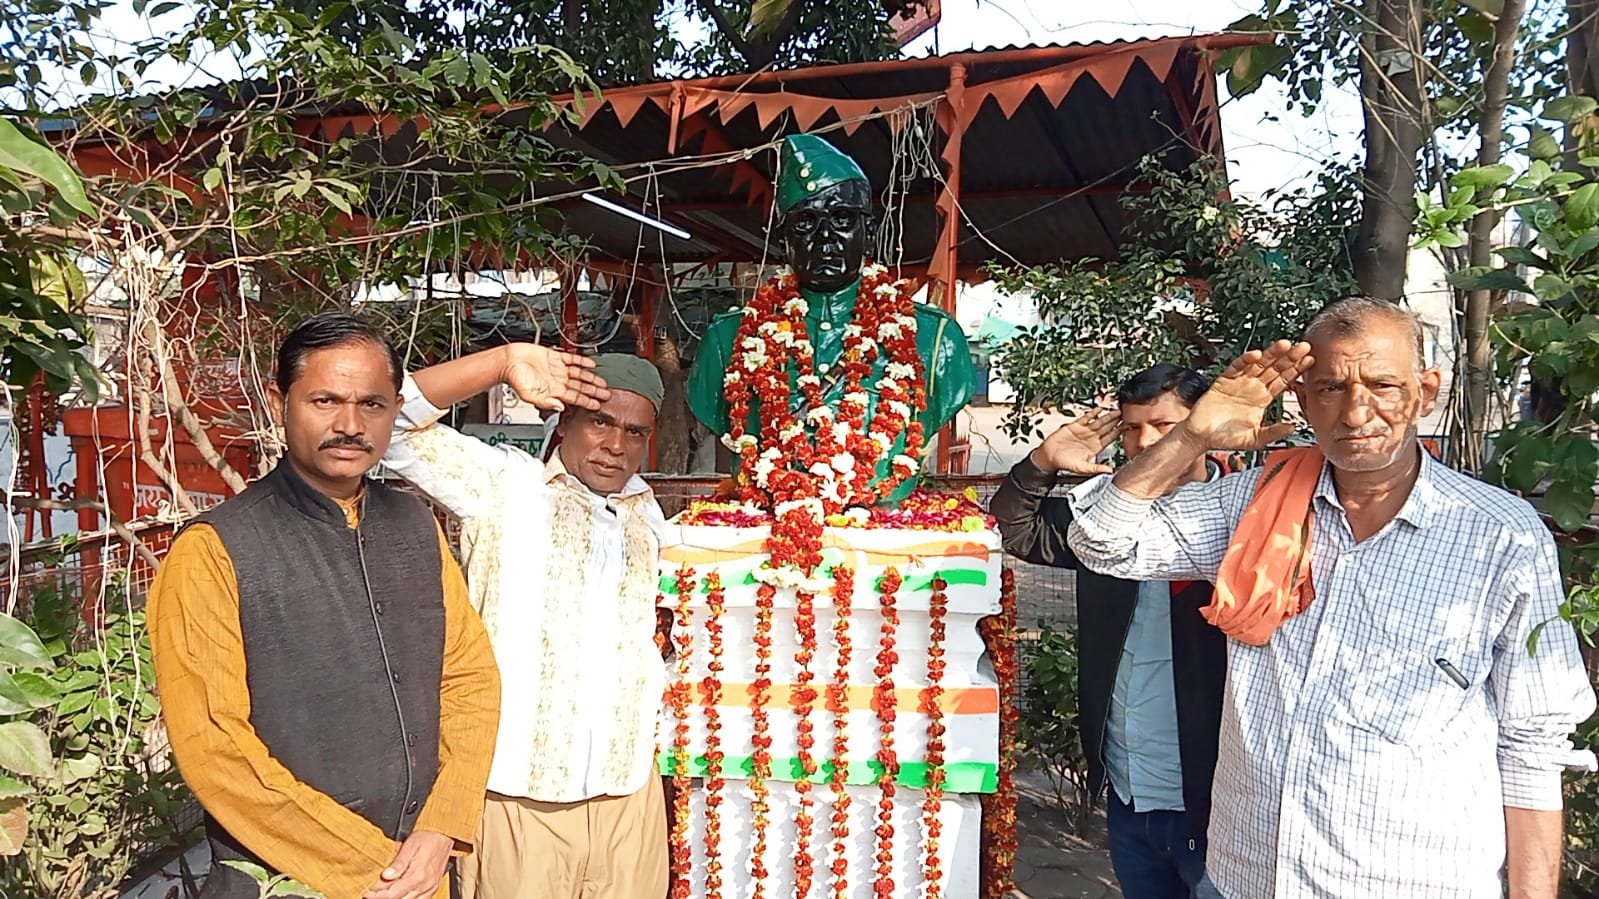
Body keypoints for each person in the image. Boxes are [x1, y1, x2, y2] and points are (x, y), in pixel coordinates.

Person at [1064, 296, 1598, 898]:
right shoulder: (1251, 505)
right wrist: (1191, 437)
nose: (1356, 411)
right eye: (1331, 388)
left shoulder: (1501, 535)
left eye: (1383, 384)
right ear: (1302, 398)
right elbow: (1101, 541)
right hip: (1251, 877)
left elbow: (1533, 746)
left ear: (1425, 392)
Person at [149, 314, 501, 899]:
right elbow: (215, 747)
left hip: (422, 870)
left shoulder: (416, 525)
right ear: (278, 403)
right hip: (289, 879)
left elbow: (470, 679)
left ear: (395, 410)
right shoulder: (214, 550)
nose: (349, 425)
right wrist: (375, 866)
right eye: (325, 401)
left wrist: (443, 826)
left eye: (372, 405)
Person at [379, 343, 668, 899]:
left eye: (634, 432)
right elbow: (389, 425)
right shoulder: (506, 487)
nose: (615, 445)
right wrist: (501, 363)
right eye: (600, 422)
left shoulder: (647, 514)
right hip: (518, 795)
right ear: (565, 421)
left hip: (628, 790)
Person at [990, 364, 1226, 899]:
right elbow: (1015, 528)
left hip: (1216, 798)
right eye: (1132, 428)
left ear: (1206, 425)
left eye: (1165, 426)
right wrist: (1044, 462)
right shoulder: (1102, 520)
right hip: (1128, 791)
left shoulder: (1247, 516)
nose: (1145, 443)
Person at [686, 133, 974, 504]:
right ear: (783, 239)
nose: (825, 237)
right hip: (763, 530)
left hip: (886, 530)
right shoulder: (727, 339)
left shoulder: (936, 339)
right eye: (805, 222)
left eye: (842, 218)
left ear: (869, 232)